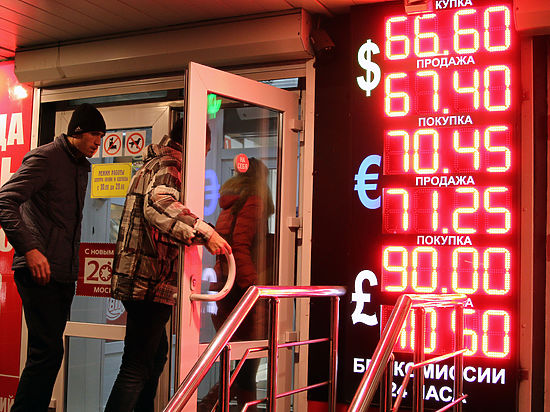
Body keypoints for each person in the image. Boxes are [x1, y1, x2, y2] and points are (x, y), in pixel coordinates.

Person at [105, 119, 231, 412]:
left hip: (140, 276)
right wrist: (205, 232)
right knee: (136, 366)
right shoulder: (170, 165)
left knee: (155, 355)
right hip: (149, 279)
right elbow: (158, 204)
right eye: (205, 149)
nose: (204, 156)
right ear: (197, 142)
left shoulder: (154, 163)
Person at [0, 103, 106, 412]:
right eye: (94, 134)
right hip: (38, 269)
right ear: (77, 132)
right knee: (46, 352)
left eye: (101, 136)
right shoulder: (46, 158)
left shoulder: (81, 166)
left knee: (49, 353)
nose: (98, 142)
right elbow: (5, 201)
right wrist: (30, 249)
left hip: (62, 272)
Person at [207, 157, 275, 411]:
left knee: (239, 358)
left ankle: (217, 404)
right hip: (241, 292)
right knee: (249, 360)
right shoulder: (253, 202)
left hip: (225, 288)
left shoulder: (231, 204)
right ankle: (214, 404)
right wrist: (254, 289)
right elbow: (240, 248)